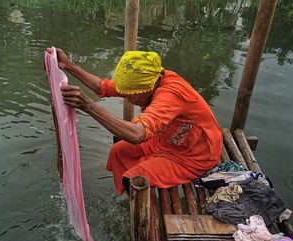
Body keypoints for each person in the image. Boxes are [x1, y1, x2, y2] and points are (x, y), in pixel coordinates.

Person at [50, 48, 223, 195]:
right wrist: (69, 66)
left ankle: (142, 212)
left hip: (194, 154)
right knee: (118, 151)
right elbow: (102, 86)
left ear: (147, 88)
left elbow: (137, 134)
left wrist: (88, 105)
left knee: (133, 178)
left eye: (130, 96)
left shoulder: (170, 95)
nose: (129, 101)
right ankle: (126, 198)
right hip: (167, 140)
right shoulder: (149, 79)